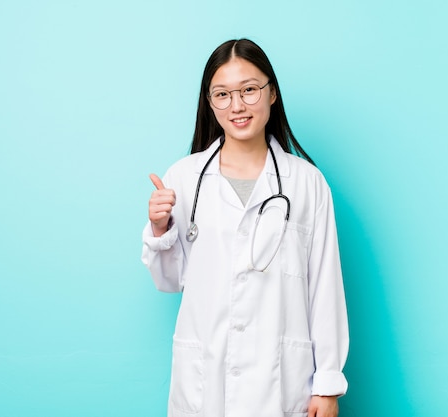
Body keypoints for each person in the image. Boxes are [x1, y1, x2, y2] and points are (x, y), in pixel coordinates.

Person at [142, 38, 349, 417]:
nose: (236, 105)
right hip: (206, 381)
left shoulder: (306, 182)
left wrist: (328, 383)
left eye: (249, 90)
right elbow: (169, 281)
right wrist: (160, 230)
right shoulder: (184, 178)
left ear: (271, 93)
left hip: (283, 384)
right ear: (209, 102)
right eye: (222, 94)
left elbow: (325, 286)